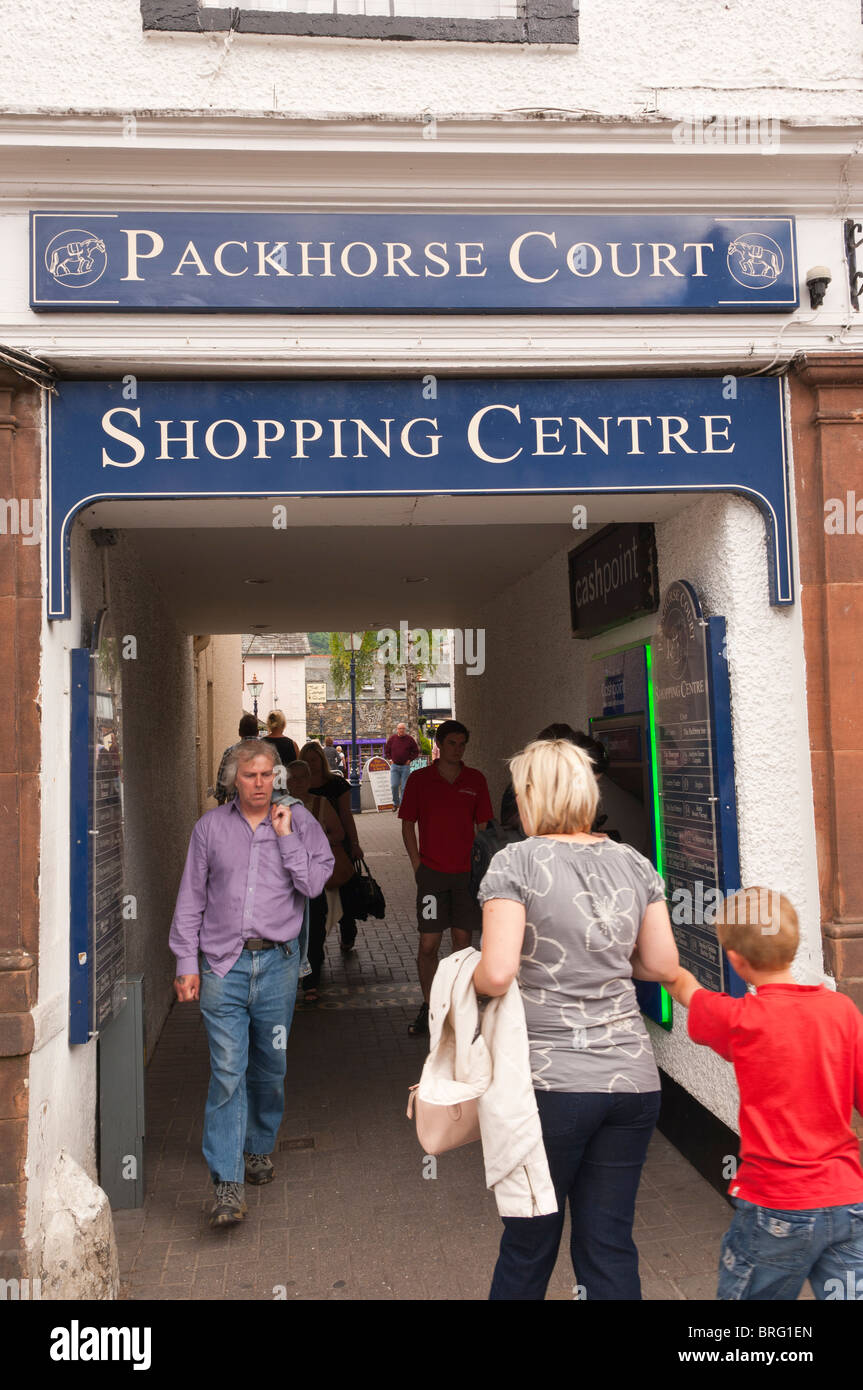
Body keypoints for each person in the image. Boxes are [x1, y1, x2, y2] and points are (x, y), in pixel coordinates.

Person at [474, 737, 679, 1300]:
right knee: (609, 1243)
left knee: (529, 1244)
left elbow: (496, 974)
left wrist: (461, 979)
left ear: (531, 795)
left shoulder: (514, 861)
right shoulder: (632, 861)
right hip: (632, 1082)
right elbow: (661, 964)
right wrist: (610, 960)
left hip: (549, 1084)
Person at [665, 888, 863, 1301]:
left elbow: (683, 986)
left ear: (735, 960)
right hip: (847, 1199)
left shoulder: (741, 1019)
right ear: (794, 946)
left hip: (777, 1203)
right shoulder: (843, 1011)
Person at [169, 740, 333, 1229]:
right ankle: (227, 1181)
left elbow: (314, 885)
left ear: (276, 778)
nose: (259, 784)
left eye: (267, 775)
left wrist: (285, 838)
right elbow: (190, 898)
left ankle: (259, 1145)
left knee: (271, 1064)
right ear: (232, 781)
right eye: (249, 776)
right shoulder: (209, 829)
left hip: (279, 966)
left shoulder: (299, 822)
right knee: (227, 1070)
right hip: (223, 965)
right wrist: (185, 961)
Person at [399, 719, 493, 1037]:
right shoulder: (420, 780)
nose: (458, 749)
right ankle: (430, 1007)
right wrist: (416, 865)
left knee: (463, 944)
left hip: (465, 877)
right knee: (429, 943)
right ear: (439, 745)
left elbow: (484, 828)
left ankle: (458, 1007)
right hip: (432, 877)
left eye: (462, 743)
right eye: (452, 743)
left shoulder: (475, 780)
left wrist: (483, 870)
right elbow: (407, 824)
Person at [282, 759, 348, 1005]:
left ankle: (311, 981)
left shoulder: (320, 804)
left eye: (301, 778)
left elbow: (339, 833)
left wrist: (318, 840)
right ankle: (288, 979)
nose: (296, 782)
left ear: (309, 781)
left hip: (313, 880)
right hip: (285, 883)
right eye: (291, 778)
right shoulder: (276, 806)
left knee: (314, 931)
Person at [299, 741, 364, 953]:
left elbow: (346, 816)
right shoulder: (299, 786)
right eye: (306, 760)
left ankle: (348, 931)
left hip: (336, 845)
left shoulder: (336, 784)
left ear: (321, 759)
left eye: (314, 759)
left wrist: (354, 844)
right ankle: (316, 942)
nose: (311, 764)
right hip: (308, 854)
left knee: (343, 889)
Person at [214, 713, 259, 804]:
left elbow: (221, 782)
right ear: (257, 732)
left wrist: (221, 805)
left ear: (239, 732)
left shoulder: (230, 752)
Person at [385, 721, 420, 810]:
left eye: (403, 728)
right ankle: (395, 803)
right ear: (397, 730)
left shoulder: (409, 739)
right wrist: (390, 759)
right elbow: (387, 750)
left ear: (405, 729)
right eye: (400, 728)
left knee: (404, 787)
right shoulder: (392, 739)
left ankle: (403, 805)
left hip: (405, 766)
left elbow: (416, 751)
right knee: (394, 785)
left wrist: (410, 760)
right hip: (394, 766)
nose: (401, 730)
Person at [262, 710, 299, 774]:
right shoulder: (292, 744)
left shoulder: (260, 744)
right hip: (287, 782)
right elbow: (298, 768)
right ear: (283, 724)